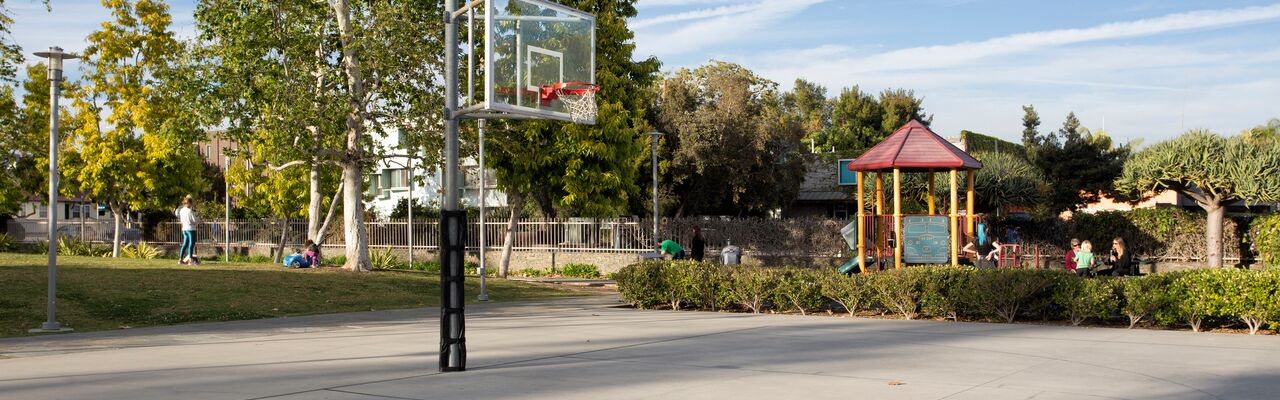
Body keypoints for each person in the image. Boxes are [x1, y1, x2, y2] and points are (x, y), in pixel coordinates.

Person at [175, 195, 200, 265]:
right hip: (191, 229)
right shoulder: (190, 211)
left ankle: (180, 259)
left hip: (184, 229)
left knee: (185, 244)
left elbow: (177, 214)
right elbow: (194, 220)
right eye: (191, 203)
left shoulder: (182, 210)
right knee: (191, 244)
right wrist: (199, 218)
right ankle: (190, 260)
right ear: (189, 203)